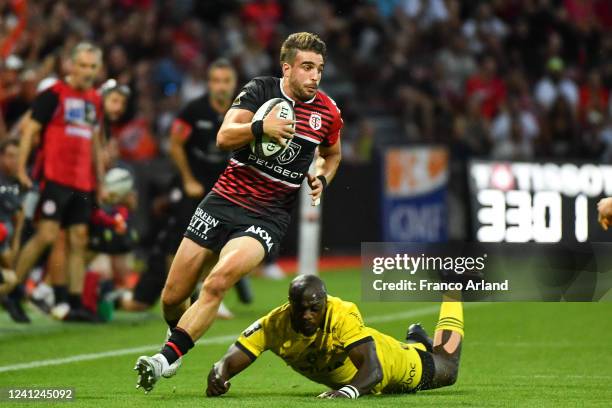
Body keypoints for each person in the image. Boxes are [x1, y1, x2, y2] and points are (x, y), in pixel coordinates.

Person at [134, 32, 343, 392]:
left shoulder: (327, 111)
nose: (315, 76)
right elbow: (224, 136)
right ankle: (179, 334)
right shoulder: (260, 90)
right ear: (287, 67)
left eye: (319, 69)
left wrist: (323, 176)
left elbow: (333, 153)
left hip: (267, 215)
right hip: (222, 200)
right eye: (307, 67)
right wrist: (261, 127)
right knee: (172, 296)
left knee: (217, 281)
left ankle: (163, 359)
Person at [123, 59, 249, 317]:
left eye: (226, 81)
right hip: (189, 187)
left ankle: (205, 292)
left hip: (221, 189)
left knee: (220, 244)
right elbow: (175, 143)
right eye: (216, 81)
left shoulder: (242, 112)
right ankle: (178, 295)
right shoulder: (194, 110)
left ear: (233, 83)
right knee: (181, 241)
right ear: (209, 83)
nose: (221, 87)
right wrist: (188, 179)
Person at [206, 275, 464, 398]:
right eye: (301, 309)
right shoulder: (273, 324)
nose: (307, 315)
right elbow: (227, 362)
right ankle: (417, 341)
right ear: (289, 305)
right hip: (364, 362)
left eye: (314, 309)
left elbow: (374, 370)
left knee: (447, 368)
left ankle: (453, 290)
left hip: (388, 361)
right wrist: (219, 376)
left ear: (325, 304)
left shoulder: (341, 313)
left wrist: (347, 392)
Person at [5, 42, 105, 323]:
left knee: (78, 240)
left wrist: (100, 180)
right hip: (55, 177)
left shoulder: (95, 99)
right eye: (83, 65)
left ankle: (75, 304)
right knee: (47, 236)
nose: (87, 71)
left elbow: (96, 141)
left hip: (83, 181)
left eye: (92, 67)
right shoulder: (53, 94)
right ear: (71, 65)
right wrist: (23, 168)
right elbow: (29, 131)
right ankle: (12, 290)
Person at [0, 139, 22, 296]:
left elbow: (19, 216)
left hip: (4, 238)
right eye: (10, 156)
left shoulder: (14, 183)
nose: (14, 161)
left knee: (11, 279)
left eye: (17, 156)